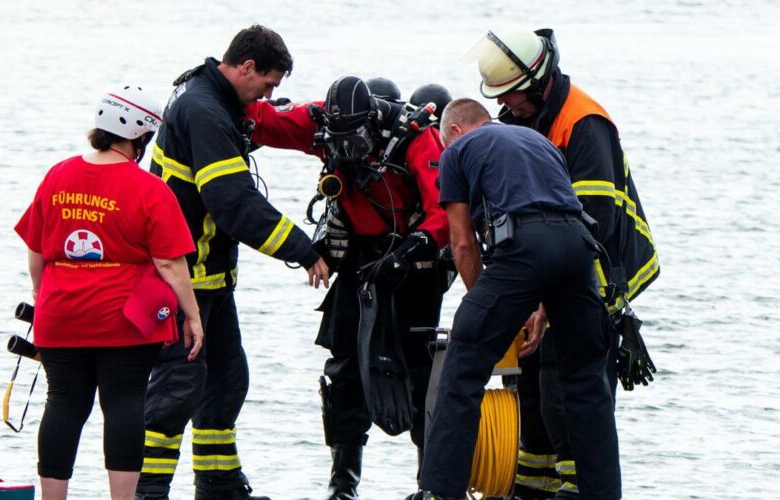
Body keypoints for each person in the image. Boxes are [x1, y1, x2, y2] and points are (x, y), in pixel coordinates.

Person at [136, 25, 329, 500]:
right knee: (176, 390)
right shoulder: (204, 110)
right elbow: (233, 203)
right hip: (182, 281)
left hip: (209, 280)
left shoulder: (212, 100)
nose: (266, 96)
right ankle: (148, 490)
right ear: (246, 68)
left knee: (227, 380)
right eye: (267, 84)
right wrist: (303, 250)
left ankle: (219, 486)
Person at [470, 28, 660, 499]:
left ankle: (578, 487)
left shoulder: (584, 123)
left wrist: (546, 304)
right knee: (534, 386)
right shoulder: (531, 120)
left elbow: (591, 224)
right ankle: (533, 484)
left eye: (512, 96)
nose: (506, 106)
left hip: (596, 272)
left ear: (538, 83)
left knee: (563, 383)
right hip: (551, 271)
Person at [246, 75, 449, 499]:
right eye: (334, 142)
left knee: (421, 370)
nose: (343, 152)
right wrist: (214, 88)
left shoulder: (414, 137)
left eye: (352, 142)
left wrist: (408, 252)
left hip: (416, 257)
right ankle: (343, 484)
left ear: (372, 125)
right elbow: (262, 119)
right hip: (359, 256)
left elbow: (444, 210)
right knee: (344, 370)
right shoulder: (320, 123)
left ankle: (429, 484)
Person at [407, 98, 620, 500]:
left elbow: (463, 244)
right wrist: (539, 306)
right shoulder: (538, 142)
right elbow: (554, 224)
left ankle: (439, 492)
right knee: (587, 380)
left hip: (523, 249)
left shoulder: (457, 151)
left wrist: (492, 310)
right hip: (578, 248)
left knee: (464, 363)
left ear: (453, 131)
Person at [15, 85, 204, 500]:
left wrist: (45, 298)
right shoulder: (150, 188)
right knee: (123, 404)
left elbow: (35, 250)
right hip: (124, 321)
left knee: (63, 404)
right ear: (141, 135)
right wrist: (192, 316)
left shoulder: (57, 174)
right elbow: (171, 264)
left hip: (59, 314)